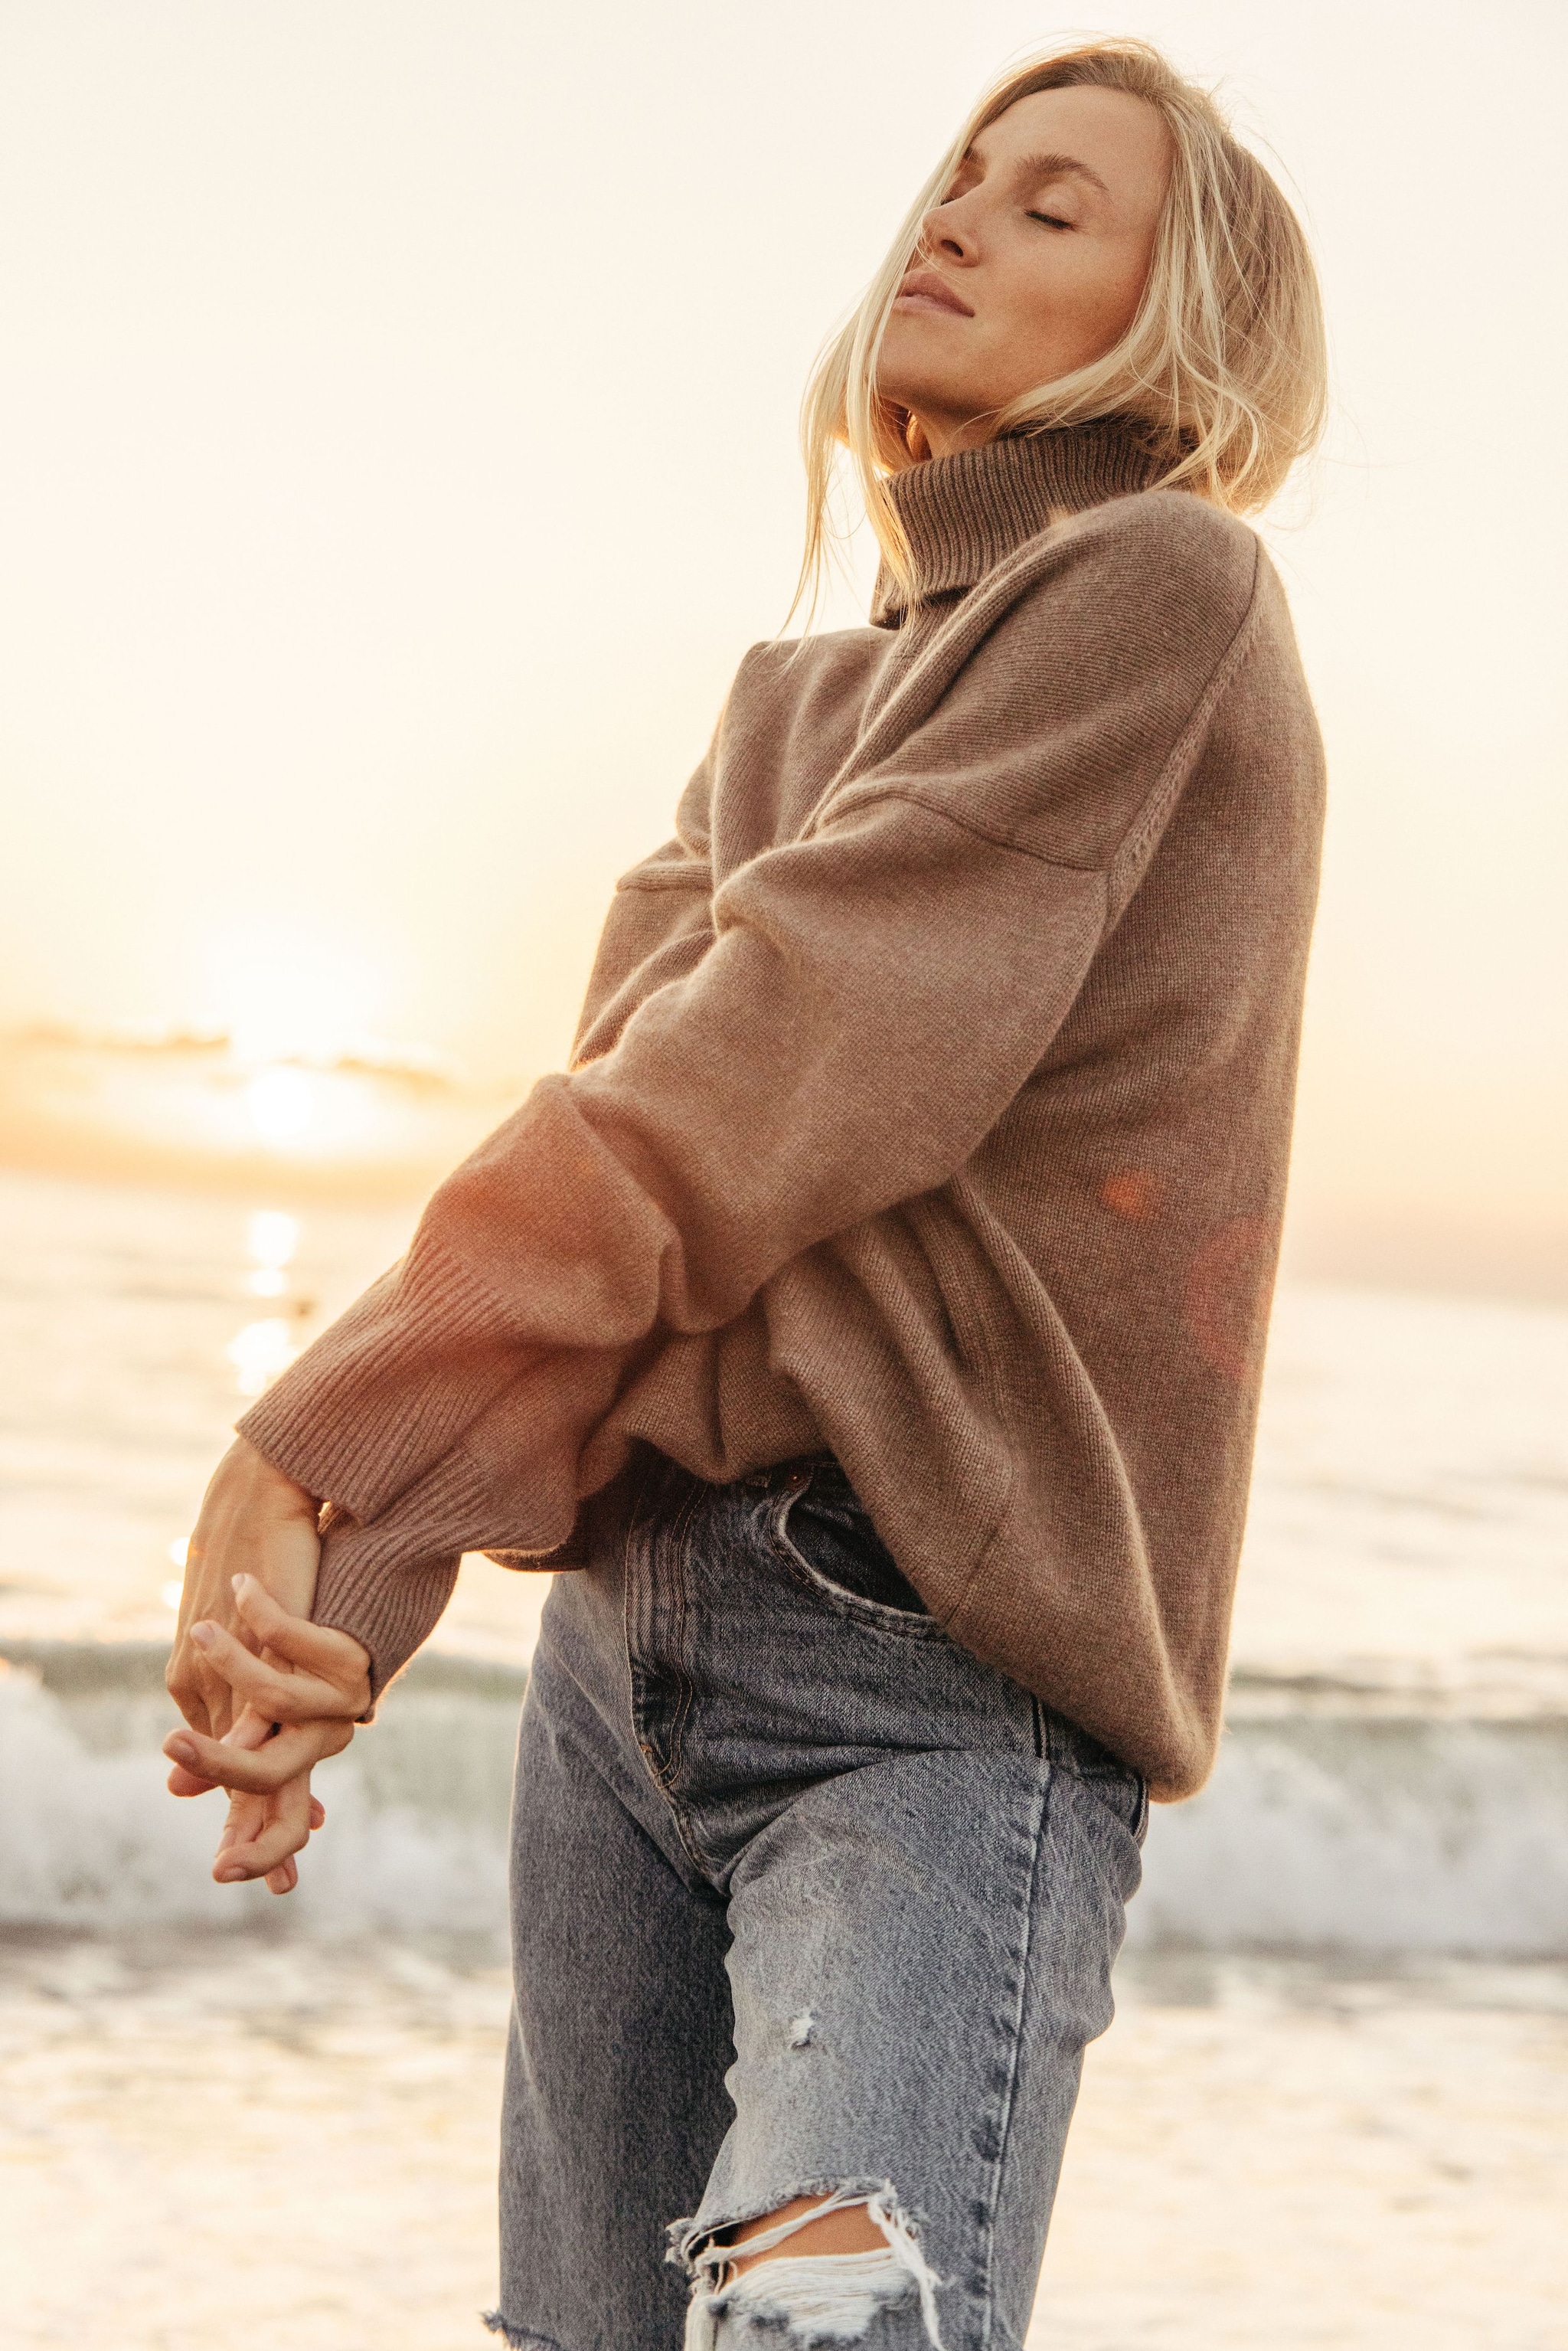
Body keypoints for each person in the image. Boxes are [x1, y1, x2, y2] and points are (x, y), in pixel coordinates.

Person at [162, 36, 1328, 2351]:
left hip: (924, 1682)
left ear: (1179, 322)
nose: (961, 219)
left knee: (826, 2333)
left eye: (1055, 205)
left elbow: (778, 1053)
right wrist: (352, 1591)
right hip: (621, 1669)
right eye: (962, 179)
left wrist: (317, 1433)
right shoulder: (789, 698)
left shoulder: (1164, 597)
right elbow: (634, 1158)